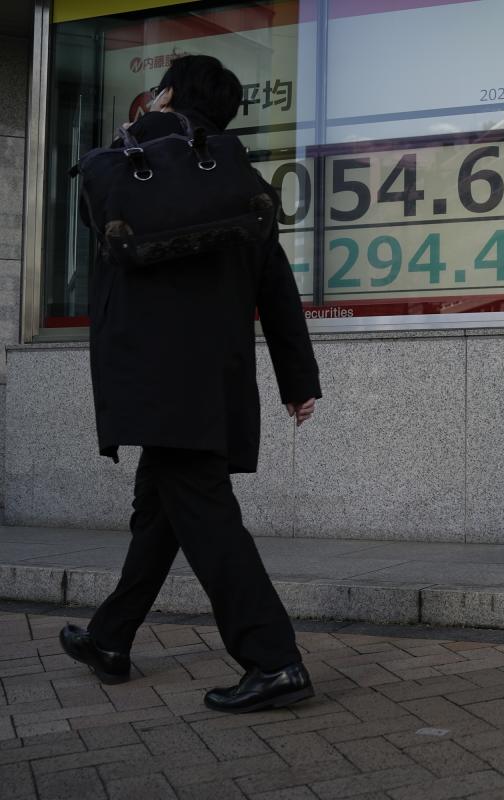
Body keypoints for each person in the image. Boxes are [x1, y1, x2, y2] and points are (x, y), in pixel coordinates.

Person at [58, 55, 322, 712]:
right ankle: (110, 637)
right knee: (161, 510)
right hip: (217, 380)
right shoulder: (243, 182)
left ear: (167, 94)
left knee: (202, 513)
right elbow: (277, 285)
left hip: (153, 375)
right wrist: (298, 379)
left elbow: (101, 219)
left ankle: (274, 658)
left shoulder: (133, 165)